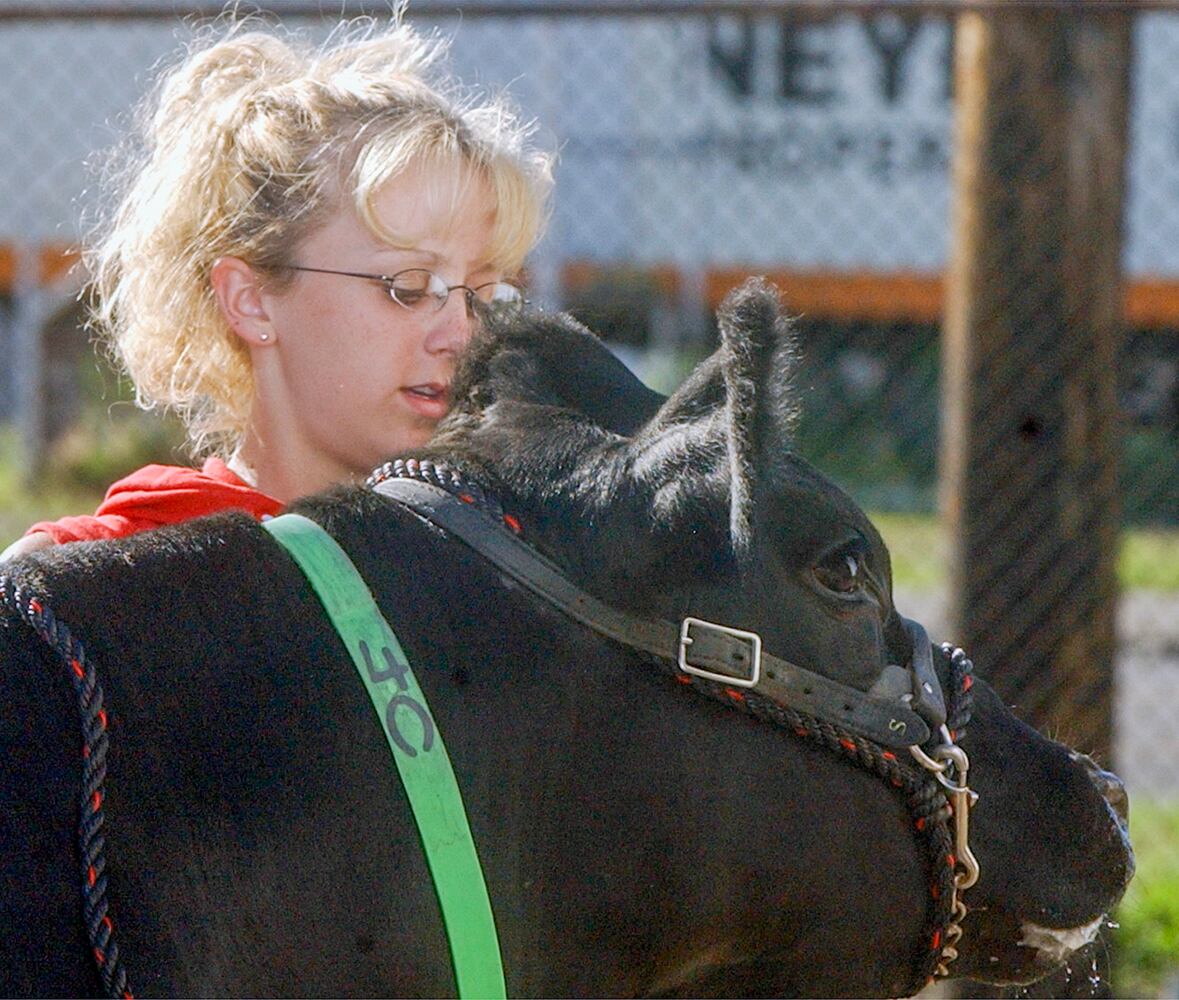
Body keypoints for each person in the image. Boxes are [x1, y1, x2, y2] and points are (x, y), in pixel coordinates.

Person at [1, 12, 552, 562]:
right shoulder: (102, 580)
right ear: (250, 299)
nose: (461, 334)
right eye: (408, 287)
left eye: (483, 296)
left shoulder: (511, 564)